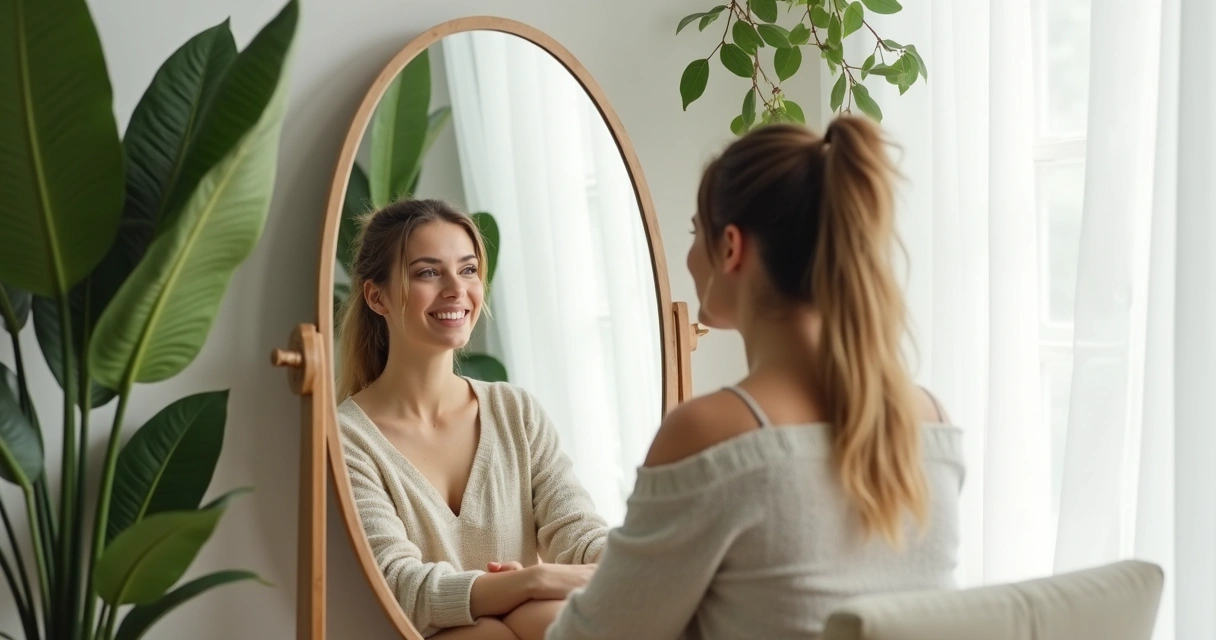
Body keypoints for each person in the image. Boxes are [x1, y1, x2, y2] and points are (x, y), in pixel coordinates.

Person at [545, 117, 965, 639]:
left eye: (695, 232)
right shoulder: (928, 417)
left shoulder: (709, 432)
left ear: (730, 247)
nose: (689, 256)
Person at [336, 199, 608, 640]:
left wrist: (640, 562)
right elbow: (398, 588)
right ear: (376, 296)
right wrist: (531, 582)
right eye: (428, 272)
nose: (456, 289)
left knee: (549, 620)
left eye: (467, 270)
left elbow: (578, 533)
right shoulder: (346, 438)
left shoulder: (515, 412)